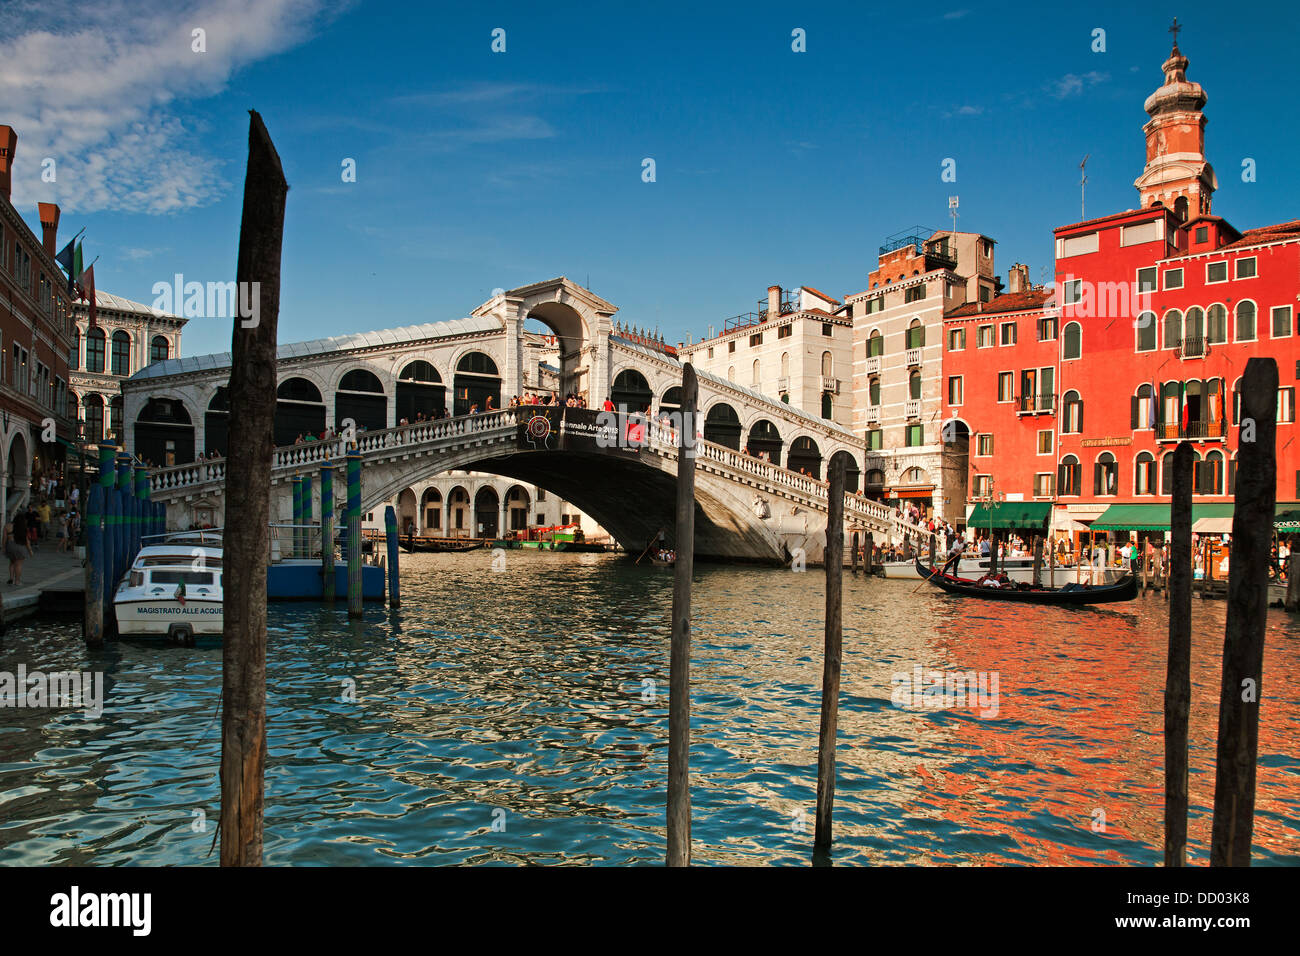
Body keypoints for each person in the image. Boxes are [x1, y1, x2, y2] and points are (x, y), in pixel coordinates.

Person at [4, 520, 26, 586]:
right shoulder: (22, 526)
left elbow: (4, 538)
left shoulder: (7, 526)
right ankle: (17, 581)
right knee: (18, 564)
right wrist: (30, 550)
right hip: (19, 545)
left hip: (10, 545)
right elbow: (26, 539)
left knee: (12, 562)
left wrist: (3, 547)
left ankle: (11, 578)